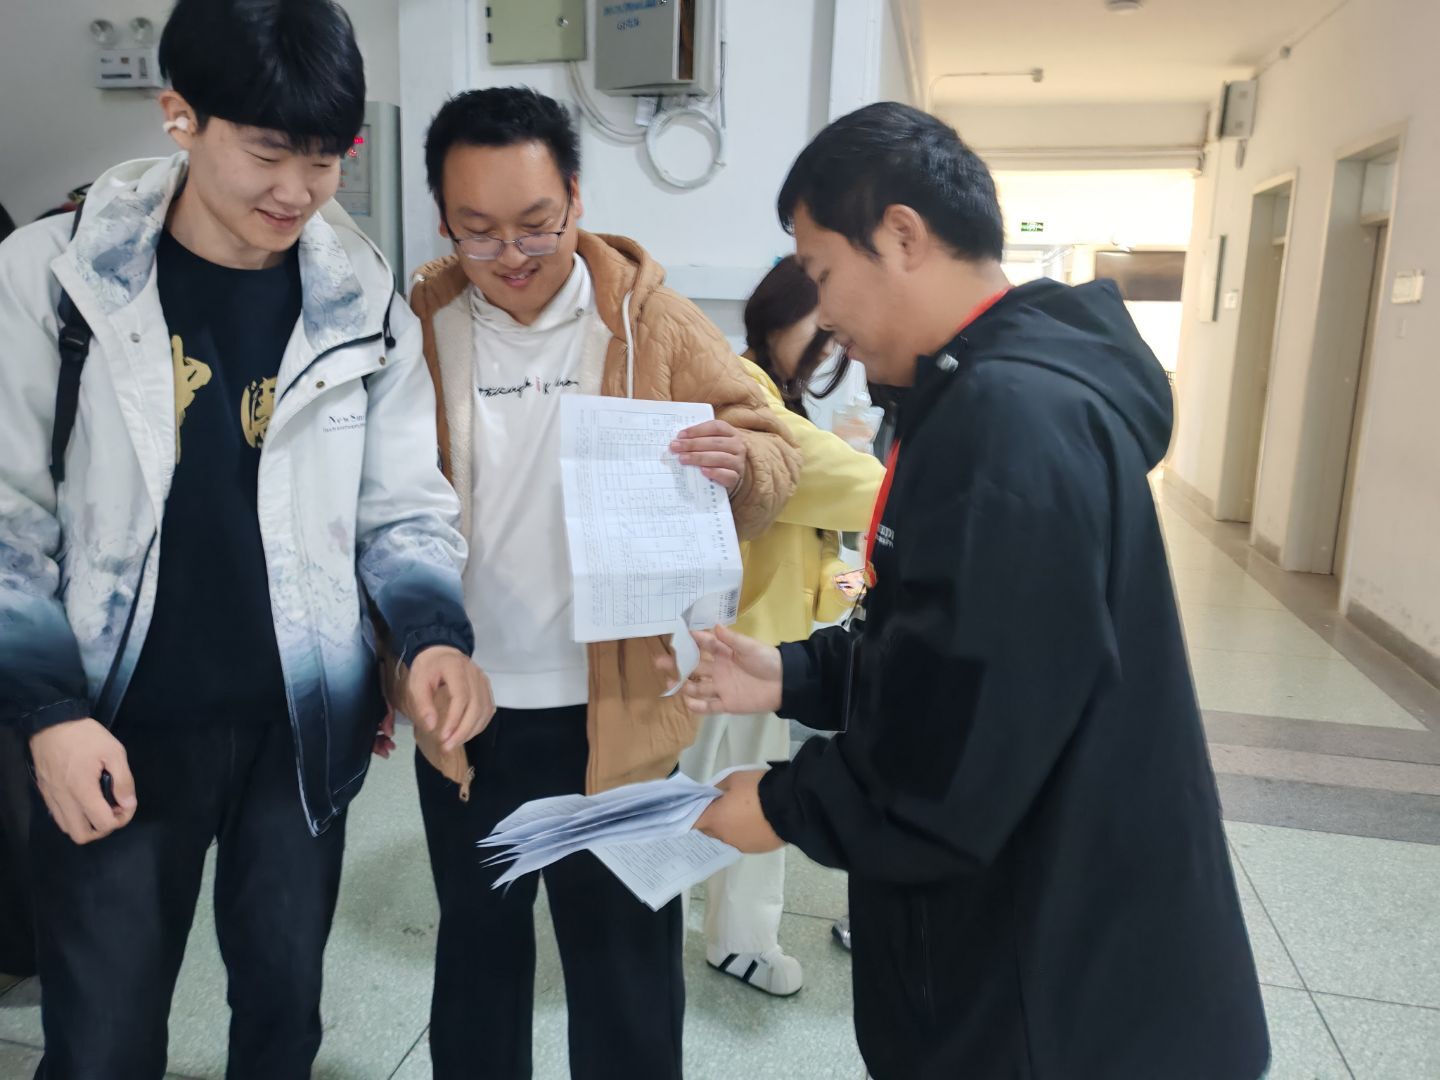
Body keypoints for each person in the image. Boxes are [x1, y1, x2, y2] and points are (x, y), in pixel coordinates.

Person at [666, 102, 1270, 1079]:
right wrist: (791, 674)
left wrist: (782, 803)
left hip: (1046, 989)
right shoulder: (984, 392)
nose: (825, 315)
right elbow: (953, 640)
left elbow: (961, 742)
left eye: (822, 272)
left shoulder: (1006, 420)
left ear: (902, 236)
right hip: (1055, 949)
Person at [0, 2, 491, 1076]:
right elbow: (7, 522)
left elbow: (402, 504)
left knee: (282, 1013)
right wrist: (47, 713)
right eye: (268, 152)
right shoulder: (55, 278)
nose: (298, 192)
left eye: (325, 157)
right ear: (180, 115)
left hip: (298, 731)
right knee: (102, 1039)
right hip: (112, 723)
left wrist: (432, 634)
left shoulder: (360, 297)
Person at [400, 87, 800, 1080]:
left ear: (576, 198)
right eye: (479, 231)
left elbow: (770, 441)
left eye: (538, 224)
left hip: (618, 714)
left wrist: (743, 465)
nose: (513, 254)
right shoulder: (420, 324)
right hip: (467, 712)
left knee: (625, 968)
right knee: (478, 957)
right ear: (443, 220)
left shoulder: (649, 318)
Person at [678, 259, 883, 995]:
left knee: (741, 794)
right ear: (775, 318)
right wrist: (912, 489)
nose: (833, 346)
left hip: (763, 645)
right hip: (724, 640)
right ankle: (719, 937)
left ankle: (739, 940)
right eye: (820, 329)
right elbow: (838, 481)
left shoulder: (782, 397)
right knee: (702, 792)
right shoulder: (746, 391)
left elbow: (824, 559)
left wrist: (856, 578)